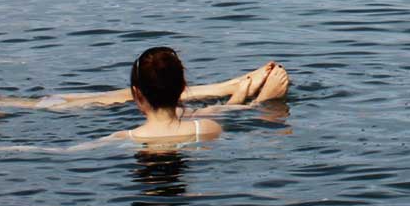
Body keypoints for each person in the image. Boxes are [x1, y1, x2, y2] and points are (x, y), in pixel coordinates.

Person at [0, 23, 285, 115]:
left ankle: (232, 84)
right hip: (43, 111)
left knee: (132, 93)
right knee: (132, 96)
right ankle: (237, 93)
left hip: (44, 102)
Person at [104, 46, 288, 144]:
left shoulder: (121, 138)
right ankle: (257, 101)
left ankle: (240, 96)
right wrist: (263, 105)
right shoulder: (207, 128)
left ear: (136, 94)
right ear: (183, 87)